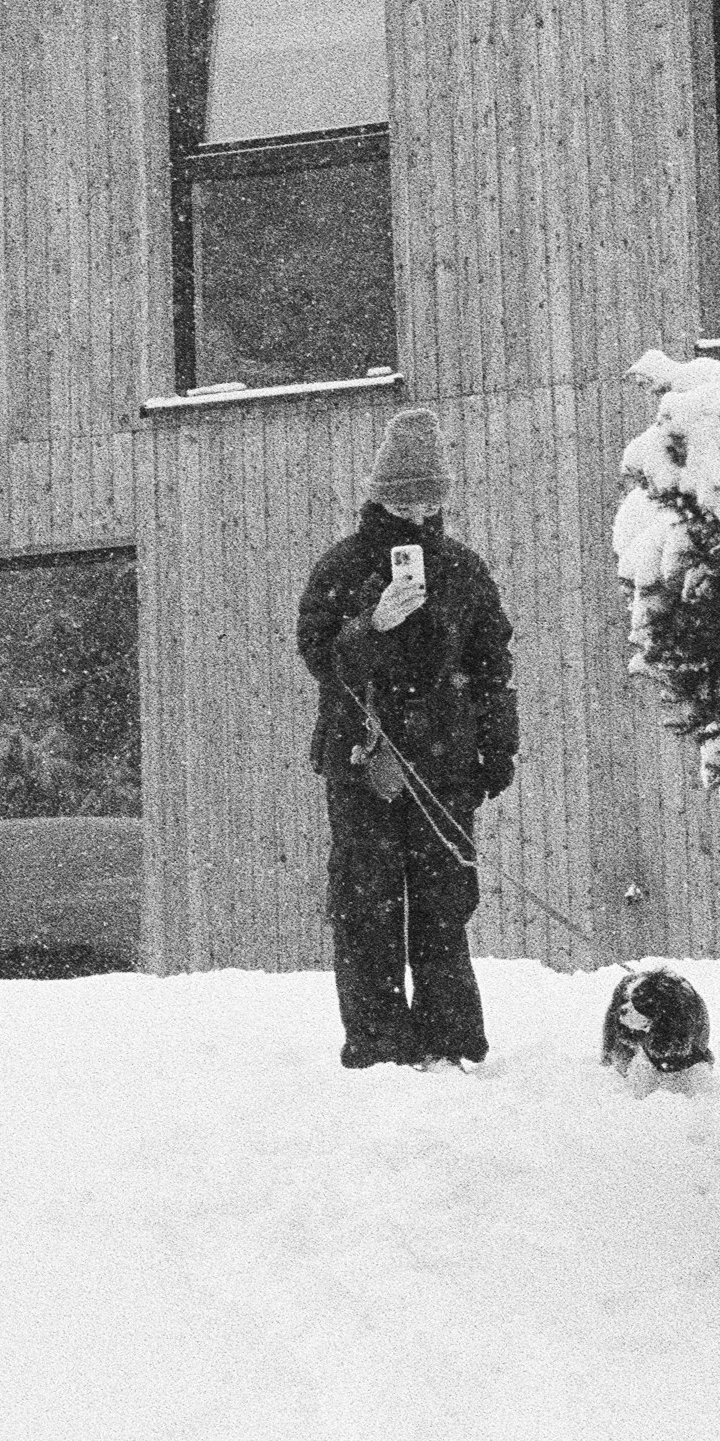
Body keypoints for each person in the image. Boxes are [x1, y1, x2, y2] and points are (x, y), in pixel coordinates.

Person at [295, 407, 518, 1069]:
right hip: (364, 759)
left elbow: (492, 667)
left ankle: (451, 1042)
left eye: (428, 494)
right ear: (379, 493)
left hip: (446, 764)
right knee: (366, 903)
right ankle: (378, 1043)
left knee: (443, 903)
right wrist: (372, 625)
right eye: (404, 494)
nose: (417, 508)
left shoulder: (465, 570)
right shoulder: (340, 567)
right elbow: (318, 655)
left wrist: (497, 749)